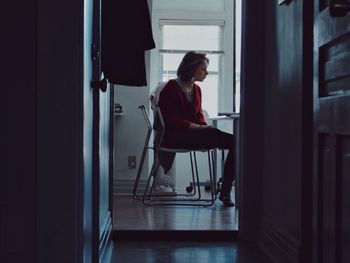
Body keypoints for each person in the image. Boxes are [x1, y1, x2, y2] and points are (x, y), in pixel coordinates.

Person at [157, 51, 235, 207]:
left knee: (237, 143)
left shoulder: (197, 89)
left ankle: (225, 191)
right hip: (174, 137)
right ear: (192, 68)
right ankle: (225, 193)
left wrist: (203, 126)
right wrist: (201, 128)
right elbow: (171, 121)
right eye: (203, 69)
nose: (206, 73)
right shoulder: (171, 87)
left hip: (192, 135)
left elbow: (198, 115)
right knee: (234, 141)